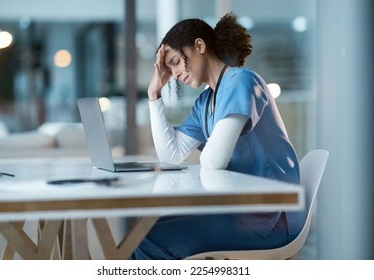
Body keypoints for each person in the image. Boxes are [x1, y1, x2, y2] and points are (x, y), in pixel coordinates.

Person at [130, 12, 305, 260]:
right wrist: (153, 94)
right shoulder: (206, 101)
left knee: (151, 240)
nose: (175, 74)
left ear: (199, 46)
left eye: (177, 61)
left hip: (270, 218)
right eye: (169, 68)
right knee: (146, 229)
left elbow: (213, 161)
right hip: (240, 211)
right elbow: (171, 154)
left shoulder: (242, 81)